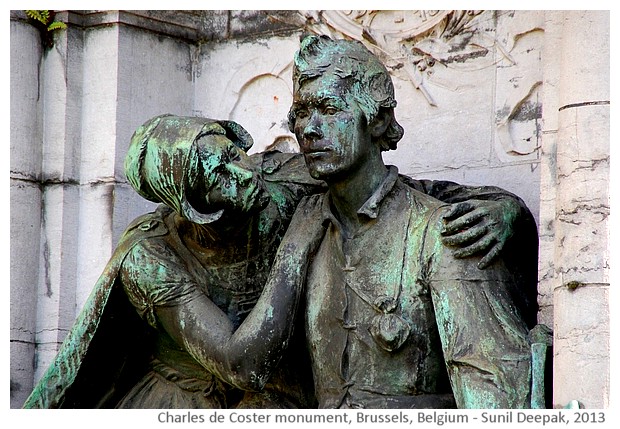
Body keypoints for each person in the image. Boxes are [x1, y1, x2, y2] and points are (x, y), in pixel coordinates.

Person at [23, 62, 538, 409]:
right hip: (186, 398)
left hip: (281, 397)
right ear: (189, 207)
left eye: (230, 154)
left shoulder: (285, 176)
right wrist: (295, 249)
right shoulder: (148, 255)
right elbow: (239, 365)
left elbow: (413, 193)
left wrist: (507, 210)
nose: (239, 175)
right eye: (214, 180)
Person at [274, 35, 541, 409]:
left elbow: (494, 394)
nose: (310, 129)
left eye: (330, 109)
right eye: (302, 113)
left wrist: (509, 209)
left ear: (379, 119)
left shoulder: (444, 234)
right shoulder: (300, 216)